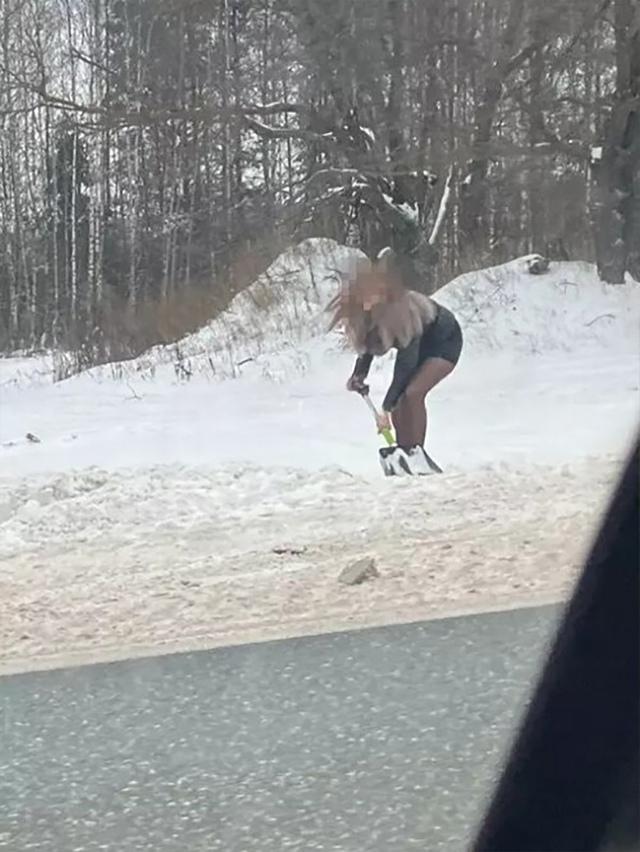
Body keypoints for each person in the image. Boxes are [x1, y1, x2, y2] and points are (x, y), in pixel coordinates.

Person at [328, 250, 462, 458]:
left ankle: (416, 453)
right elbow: (367, 349)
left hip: (444, 340)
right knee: (400, 399)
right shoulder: (362, 315)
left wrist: (386, 408)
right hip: (419, 343)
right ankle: (403, 452)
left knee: (412, 393)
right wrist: (359, 375)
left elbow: (406, 364)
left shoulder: (401, 311)